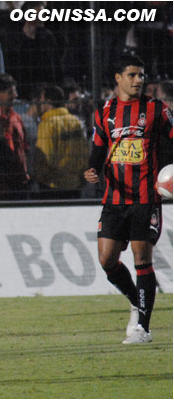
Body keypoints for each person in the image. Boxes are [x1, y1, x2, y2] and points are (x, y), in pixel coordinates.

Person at [84, 55, 173, 344]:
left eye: (141, 75)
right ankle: (137, 302)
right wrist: (93, 169)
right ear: (118, 78)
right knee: (107, 259)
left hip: (146, 198)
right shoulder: (104, 110)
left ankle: (143, 329)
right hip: (114, 198)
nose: (139, 80)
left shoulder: (157, 109)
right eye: (133, 74)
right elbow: (99, 146)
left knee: (141, 259)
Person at [34, 86, 87, 199]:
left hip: (53, 186)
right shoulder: (76, 122)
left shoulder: (48, 124)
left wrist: (41, 179)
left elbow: (44, 156)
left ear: (48, 101)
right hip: (75, 184)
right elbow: (84, 153)